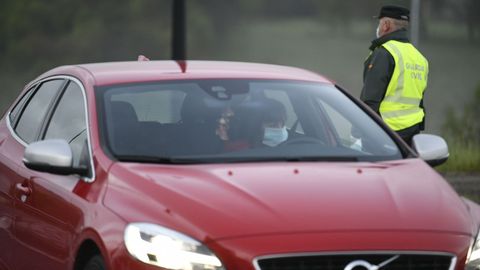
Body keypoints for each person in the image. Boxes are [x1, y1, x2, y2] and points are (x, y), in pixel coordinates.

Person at [360, 5, 429, 146]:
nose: (378, 27)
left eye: (379, 23)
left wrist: (359, 131)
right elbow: (419, 100)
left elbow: (370, 99)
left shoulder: (384, 53)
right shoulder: (420, 58)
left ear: (386, 25)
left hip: (384, 133)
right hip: (411, 135)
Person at [217, 98, 288, 151]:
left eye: (282, 124)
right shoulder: (240, 150)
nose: (279, 129)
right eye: (272, 125)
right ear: (256, 126)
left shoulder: (291, 149)